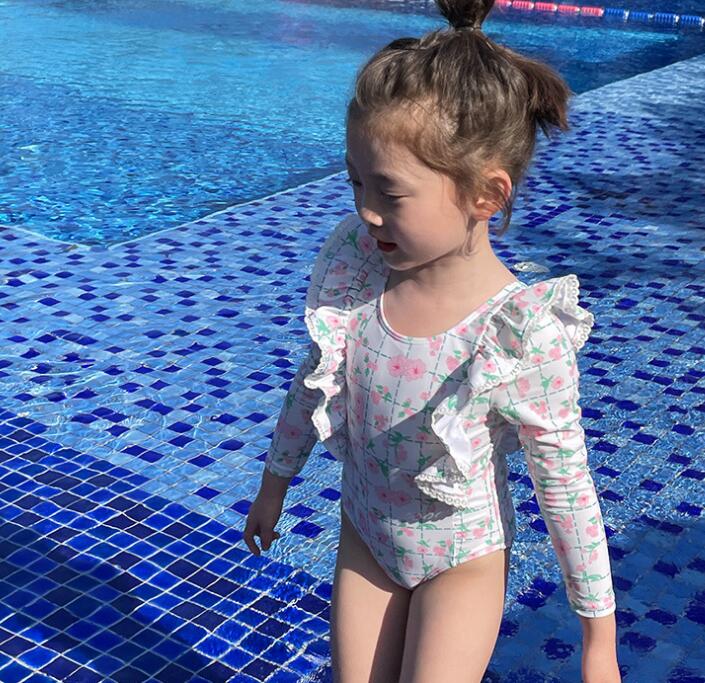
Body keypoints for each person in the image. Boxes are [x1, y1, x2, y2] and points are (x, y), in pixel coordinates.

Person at [243, 1, 620, 681]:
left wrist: (598, 639)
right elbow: (312, 382)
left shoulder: (518, 333)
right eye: (356, 181)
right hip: (366, 535)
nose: (365, 211)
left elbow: (564, 484)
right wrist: (276, 483)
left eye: (388, 192)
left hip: (460, 563)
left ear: (485, 195)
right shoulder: (359, 273)